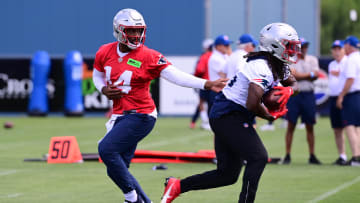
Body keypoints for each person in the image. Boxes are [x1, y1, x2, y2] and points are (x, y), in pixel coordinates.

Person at [92, 8, 228, 203]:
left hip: (141, 115)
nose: (136, 35)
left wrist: (205, 83)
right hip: (120, 115)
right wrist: (103, 89)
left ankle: (131, 198)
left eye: (139, 31)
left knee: (106, 149)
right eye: (131, 30)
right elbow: (97, 74)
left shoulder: (148, 56)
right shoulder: (105, 51)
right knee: (116, 168)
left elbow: (176, 76)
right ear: (119, 30)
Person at [161, 22, 300, 203]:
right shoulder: (261, 66)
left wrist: (289, 90)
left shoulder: (277, 63)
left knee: (227, 174)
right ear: (275, 45)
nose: (292, 50)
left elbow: (294, 83)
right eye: (289, 46)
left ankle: (178, 186)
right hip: (228, 113)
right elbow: (252, 103)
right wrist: (269, 115)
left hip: (229, 113)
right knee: (258, 158)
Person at [283, 37, 322, 164]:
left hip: (308, 94)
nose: (304, 49)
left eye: (305, 46)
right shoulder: (291, 60)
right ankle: (287, 155)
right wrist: (308, 75)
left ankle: (312, 155)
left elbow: (316, 75)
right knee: (291, 125)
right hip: (294, 96)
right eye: (302, 47)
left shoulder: (312, 59)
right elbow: (293, 76)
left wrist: (301, 76)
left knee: (310, 125)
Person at [336, 36, 360, 166]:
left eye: (345, 45)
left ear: (349, 46)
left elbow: (350, 79)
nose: (344, 47)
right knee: (357, 126)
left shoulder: (351, 60)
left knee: (350, 126)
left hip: (352, 95)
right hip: (358, 95)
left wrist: (341, 95)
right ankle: (358, 155)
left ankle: (356, 157)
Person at [328, 40, 348, 165]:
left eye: (338, 48)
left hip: (346, 97)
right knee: (337, 129)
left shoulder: (348, 62)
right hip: (333, 97)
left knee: (351, 127)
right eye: (334, 49)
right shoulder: (331, 65)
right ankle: (342, 155)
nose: (336, 51)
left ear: (343, 50)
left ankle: (356, 154)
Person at [190, 38, 213, 130]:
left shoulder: (205, 56)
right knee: (211, 103)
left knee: (201, 102)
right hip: (216, 84)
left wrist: (195, 78)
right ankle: (209, 122)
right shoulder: (218, 56)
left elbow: (199, 69)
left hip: (205, 83)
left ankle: (206, 122)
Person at [207, 34, 232, 110]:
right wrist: (232, 56)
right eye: (226, 45)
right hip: (217, 91)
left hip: (224, 90)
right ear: (218, 46)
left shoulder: (225, 56)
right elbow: (224, 75)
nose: (228, 47)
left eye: (228, 45)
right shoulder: (215, 58)